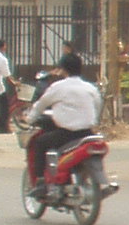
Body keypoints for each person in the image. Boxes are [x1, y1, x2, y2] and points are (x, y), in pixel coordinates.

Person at [24, 53, 102, 197]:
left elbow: (40, 105)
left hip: (66, 134)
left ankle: (41, 184)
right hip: (88, 133)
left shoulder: (58, 87)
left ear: (64, 70)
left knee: (40, 143)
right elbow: (97, 107)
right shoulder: (90, 88)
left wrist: (29, 119)